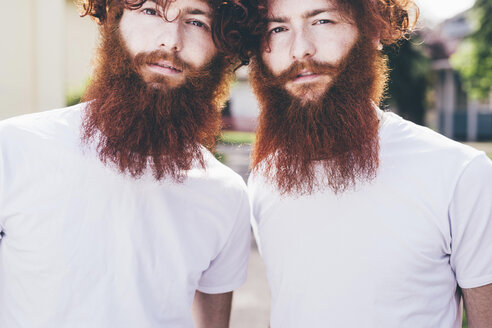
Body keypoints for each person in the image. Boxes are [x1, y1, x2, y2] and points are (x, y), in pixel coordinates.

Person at [0, 0, 252, 327]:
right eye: (150, 11)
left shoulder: (226, 194)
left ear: (224, 46)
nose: (171, 40)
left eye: (197, 22)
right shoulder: (15, 147)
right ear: (112, 18)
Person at [245, 0, 492, 326]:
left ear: (373, 29)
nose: (300, 49)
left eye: (322, 21)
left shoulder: (460, 174)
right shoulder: (265, 177)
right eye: (277, 29)